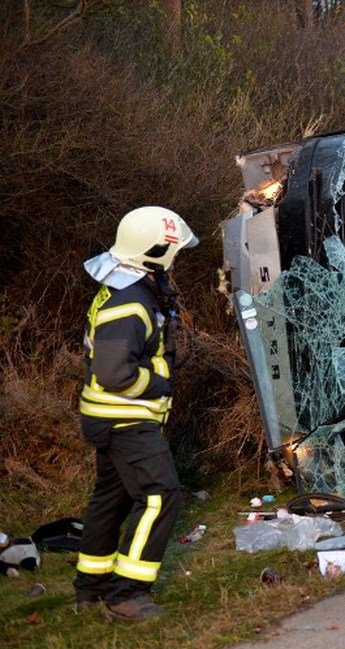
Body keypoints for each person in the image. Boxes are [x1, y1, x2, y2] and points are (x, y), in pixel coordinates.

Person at [74, 206, 197, 620]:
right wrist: (160, 378)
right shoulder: (130, 301)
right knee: (162, 497)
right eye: (173, 251)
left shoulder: (128, 287)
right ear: (156, 250)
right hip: (125, 419)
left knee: (112, 498)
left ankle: (90, 589)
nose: (175, 260)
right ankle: (127, 595)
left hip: (111, 418)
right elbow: (113, 373)